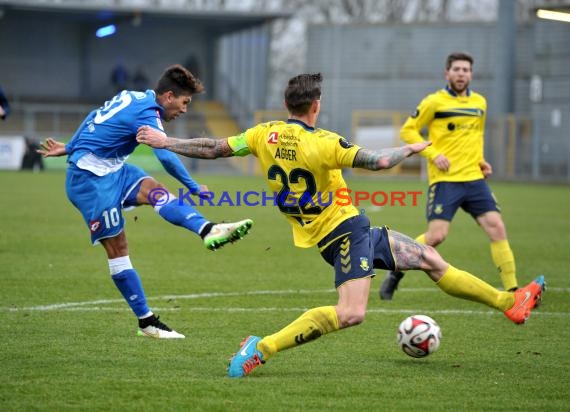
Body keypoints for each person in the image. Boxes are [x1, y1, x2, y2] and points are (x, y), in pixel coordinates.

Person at [136, 73, 545, 377]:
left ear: (288, 104)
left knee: (429, 258)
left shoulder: (265, 134)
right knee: (352, 314)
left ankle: (510, 303)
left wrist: (167, 142)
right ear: (315, 105)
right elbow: (379, 161)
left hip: (350, 227)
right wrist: (413, 147)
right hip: (342, 233)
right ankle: (261, 347)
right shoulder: (325, 141)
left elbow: (212, 147)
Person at [38, 64, 253, 339]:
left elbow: (94, 115)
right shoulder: (147, 113)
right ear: (168, 97)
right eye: (184, 102)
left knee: (155, 190)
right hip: (89, 181)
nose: (185, 109)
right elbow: (164, 154)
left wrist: (68, 145)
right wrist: (193, 186)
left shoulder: (133, 96)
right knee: (118, 248)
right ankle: (146, 321)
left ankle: (208, 229)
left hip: (114, 170)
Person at [379, 52, 520, 300]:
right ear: (447, 73)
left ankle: (513, 290)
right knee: (436, 236)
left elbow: (476, 137)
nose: (461, 74)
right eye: (456, 69)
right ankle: (396, 271)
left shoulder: (480, 103)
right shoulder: (434, 102)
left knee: (497, 227)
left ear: (471, 74)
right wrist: (433, 154)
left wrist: (481, 160)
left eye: (466, 70)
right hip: (445, 180)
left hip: (474, 178)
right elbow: (408, 130)